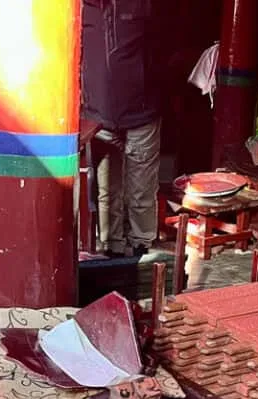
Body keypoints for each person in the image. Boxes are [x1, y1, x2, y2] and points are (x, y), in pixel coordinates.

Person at [82, 0, 161, 259]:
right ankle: (111, 244)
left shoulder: (145, 6)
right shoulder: (78, 9)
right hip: (98, 117)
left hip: (142, 112)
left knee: (141, 188)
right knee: (107, 189)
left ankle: (141, 243)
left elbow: (163, 49)